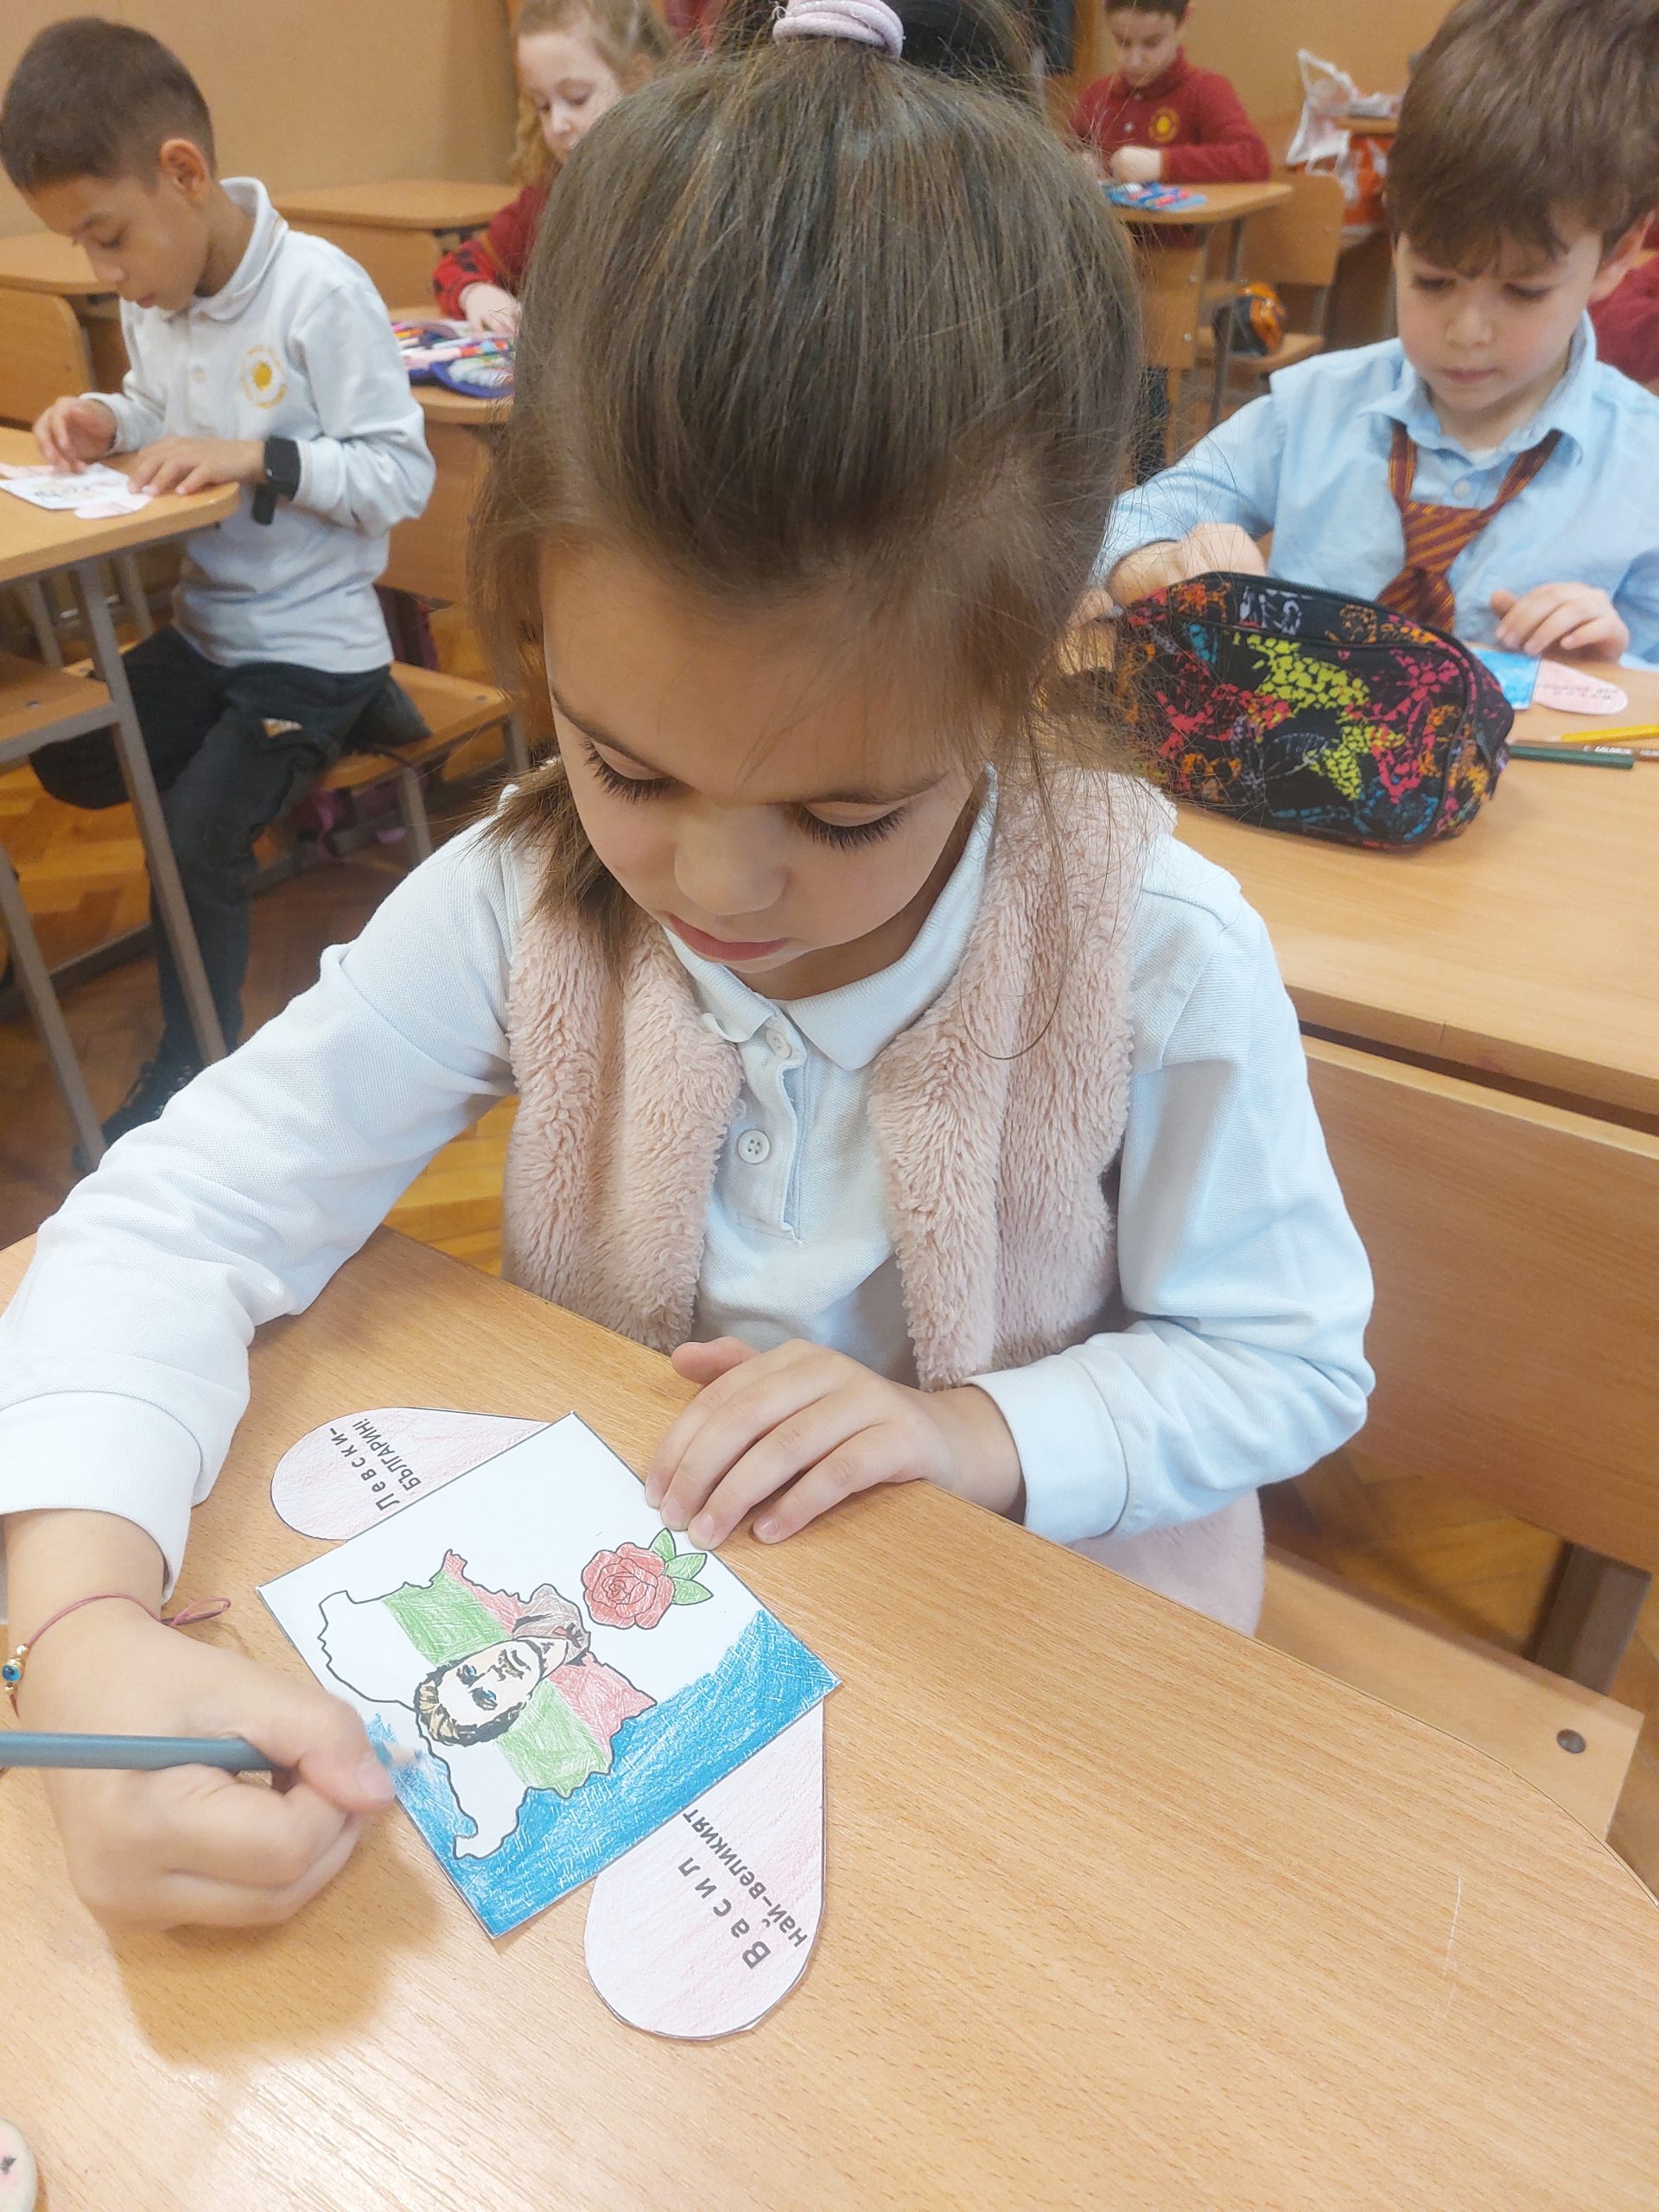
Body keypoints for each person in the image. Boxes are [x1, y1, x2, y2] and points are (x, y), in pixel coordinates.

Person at [0, 0, 1371, 1933]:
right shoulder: (527, 894)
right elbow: (178, 1213)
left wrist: (973, 1429)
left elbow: (1287, 1360)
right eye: (628, 767)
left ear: (1025, 668)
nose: (716, 886)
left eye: (848, 810)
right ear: (537, 624)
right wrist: (75, 1627)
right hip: (652, 1676)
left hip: (1042, 1686)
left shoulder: (1147, 952)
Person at [0, 20, 435, 1144]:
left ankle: (196, 1064)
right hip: (210, 634)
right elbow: (161, 410)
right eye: (81, 248)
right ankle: (285, 747)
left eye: (107, 238)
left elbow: (401, 475)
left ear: (183, 174)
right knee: (71, 752)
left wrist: (259, 457)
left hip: (311, 644)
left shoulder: (318, 293)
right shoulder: (156, 295)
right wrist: (107, 418)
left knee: (195, 834)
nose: (103, 274)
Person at [1099, 0, 1659, 664]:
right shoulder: (1312, 409)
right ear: (1396, 235)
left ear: (1619, 253)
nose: (1467, 331)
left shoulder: (1643, 467)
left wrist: (1617, 673)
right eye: (1433, 281)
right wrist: (1158, 563)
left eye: (1523, 291)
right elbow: (1121, 525)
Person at [431, 0, 676, 332]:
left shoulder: (687, 187)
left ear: (637, 78)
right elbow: (459, 265)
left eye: (577, 98)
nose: (558, 124)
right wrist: (476, 293)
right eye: (543, 105)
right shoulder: (546, 200)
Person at [1070, 0, 1269, 187]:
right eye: (1122, 42)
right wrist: (1074, 165)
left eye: (1151, 43)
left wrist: (1162, 164)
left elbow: (1253, 159)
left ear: (1184, 20)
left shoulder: (1207, 90)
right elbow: (1065, 151)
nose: (1133, 60)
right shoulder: (1096, 94)